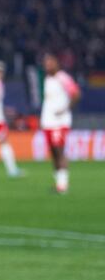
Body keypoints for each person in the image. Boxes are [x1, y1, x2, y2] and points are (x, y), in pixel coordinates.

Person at [40, 53, 80, 195]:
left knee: (59, 151)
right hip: (48, 122)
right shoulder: (48, 79)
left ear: (57, 63)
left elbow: (76, 94)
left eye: (50, 63)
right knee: (53, 152)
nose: (47, 66)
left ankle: (63, 184)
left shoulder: (63, 77)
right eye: (46, 63)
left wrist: (65, 109)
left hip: (59, 122)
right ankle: (59, 183)